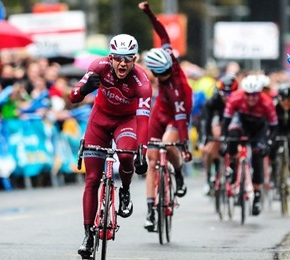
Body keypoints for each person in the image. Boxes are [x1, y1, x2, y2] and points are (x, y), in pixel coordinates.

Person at [70, 34, 152, 258]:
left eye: (128, 59)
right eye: (118, 58)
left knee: (126, 157)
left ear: (134, 59)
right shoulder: (98, 66)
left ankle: (124, 191)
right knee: (92, 179)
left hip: (126, 122)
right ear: (110, 57)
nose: (123, 63)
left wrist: (142, 153)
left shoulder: (142, 82)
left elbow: (144, 120)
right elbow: (73, 97)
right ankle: (88, 235)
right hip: (99, 120)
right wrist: (85, 88)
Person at [138, 1, 193, 232]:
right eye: (159, 75)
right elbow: (162, 32)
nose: (164, 77)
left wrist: (185, 144)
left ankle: (178, 174)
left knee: (169, 145)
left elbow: (181, 120)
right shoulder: (166, 52)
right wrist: (149, 12)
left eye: (166, 73)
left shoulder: (177, 83)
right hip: (161, 109)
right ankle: (151, 211)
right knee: (151, 157)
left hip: (178, 109)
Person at [219, 74, 278, 216]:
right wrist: (224, 140)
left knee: (258, 154)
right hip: (241, 123)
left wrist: (268, 142)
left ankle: (257, 196)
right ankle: (233, 166)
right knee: (232, 136)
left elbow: (274, 127)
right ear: (243, 92)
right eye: (248, 95)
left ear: (259, 93)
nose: (251, 98)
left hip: (258, 128)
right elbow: (226, 121)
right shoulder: (235, 98)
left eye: (254, 95)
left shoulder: (267, 102)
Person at [201, 74, 238, 195]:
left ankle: (237, 176)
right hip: (218, 121)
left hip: (233, 122)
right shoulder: (214, 101)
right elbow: (207, 121)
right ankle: (209, 176)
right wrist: (206, 137)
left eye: (230, 95)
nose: (227, 98)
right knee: (208, 149)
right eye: (225, 95)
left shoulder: (240, 100)